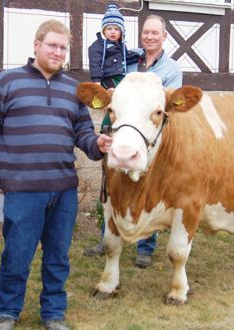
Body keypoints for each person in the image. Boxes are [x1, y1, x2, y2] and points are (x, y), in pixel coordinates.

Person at [0, 20, 111, 330]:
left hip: (63, 190)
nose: (57, 52)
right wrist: (5, 176)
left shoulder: (73, 89)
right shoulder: (6, 81)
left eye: (63, 48)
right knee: (16, 254)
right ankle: (8, 312)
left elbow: (82, 133)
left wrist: (98, 145)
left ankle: (53, 313)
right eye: (52, 45)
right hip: (23, 191)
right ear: (36, 45)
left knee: (57, 257)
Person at [84, 14, 183, 269]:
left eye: (155, 33)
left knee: (149, 190)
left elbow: (170, 111)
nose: (149, 37)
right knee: (110, 185)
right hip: (121, 135)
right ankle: (108, 235)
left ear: (164, 36)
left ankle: (146, 247)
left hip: (149, 142)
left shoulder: (172, 70)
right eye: (146, 32)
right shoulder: (127, 57)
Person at [88, 4, 139, 89]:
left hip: (121, 76)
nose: (113, 32)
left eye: (116, 29)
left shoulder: (122, 44)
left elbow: (125, 57)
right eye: (109, 29)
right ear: (103, 31)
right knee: (112, 95)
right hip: (107, 78)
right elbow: (95, 64)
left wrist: (136, 57)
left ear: (121, 32)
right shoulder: (98, 45)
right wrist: (96, 81)